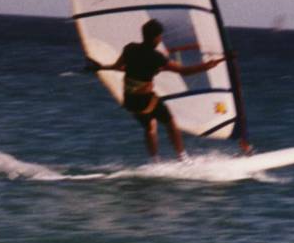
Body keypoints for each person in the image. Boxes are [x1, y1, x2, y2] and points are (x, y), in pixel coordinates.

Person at [87, 19, 226, 161]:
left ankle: (155, 160)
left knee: (150, 127)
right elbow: (184, 71)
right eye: (160, 36)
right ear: (155, 38)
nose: (160, 39)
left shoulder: (130, 48)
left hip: (129, 99)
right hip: (145, 100)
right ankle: (183, 158)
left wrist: (101, 67)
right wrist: (208, 66)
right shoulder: (156, 57)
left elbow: (119, 67)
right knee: (170, 122)